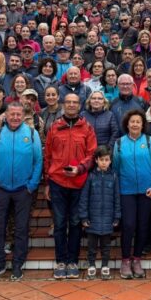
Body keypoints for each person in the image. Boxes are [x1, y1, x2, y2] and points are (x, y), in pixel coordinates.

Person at [0, 102, 43, 281]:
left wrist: (32, 185)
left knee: (21, 228)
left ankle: (18, 264)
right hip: (1, 189)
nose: (15, 117)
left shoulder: (32, 134)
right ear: (6, 115)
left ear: (23, 115)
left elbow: (38, 161)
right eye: (12, 114)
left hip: (23, 190)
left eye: (19, 114)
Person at [44, 94, 97, 279]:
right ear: (63, 105)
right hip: (57, 182)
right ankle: (61, 261)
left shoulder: (87, 128)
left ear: (80, 105)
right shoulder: (54, 127)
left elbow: (92, 155)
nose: (72, 105)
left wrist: (79, 168)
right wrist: (48, 182)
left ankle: (73, 261)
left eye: (75, 102)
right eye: (68, 102)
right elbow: (48, 155)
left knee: (75, 223)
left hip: (79, 183)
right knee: (59, 224)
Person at [113, 109, 151, 279]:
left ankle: (137, 259)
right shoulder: (119, 143)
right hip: (126, 192)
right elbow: (116, 169)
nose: (135, 124)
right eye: (132, 121)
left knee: (143, 226)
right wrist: (118, 190)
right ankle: (125, 259)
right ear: (127, 124)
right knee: (128, 226)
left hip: (146, 192)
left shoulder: (150, 141)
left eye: (138, 122)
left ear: (143, 124)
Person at [79, 146, 121, 280]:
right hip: (93, 219)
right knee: (92, 245)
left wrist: (117, 216)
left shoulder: (114, 176)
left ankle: (104, 266)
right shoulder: (90, 176)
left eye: (107, 160)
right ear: (96, 160)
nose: (104, 162)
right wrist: (84, 216)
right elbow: (84, 197)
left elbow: (117, 198)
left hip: (108, 219)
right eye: (101, 160)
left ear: (110, 161)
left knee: (106, 246)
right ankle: (91, 265)